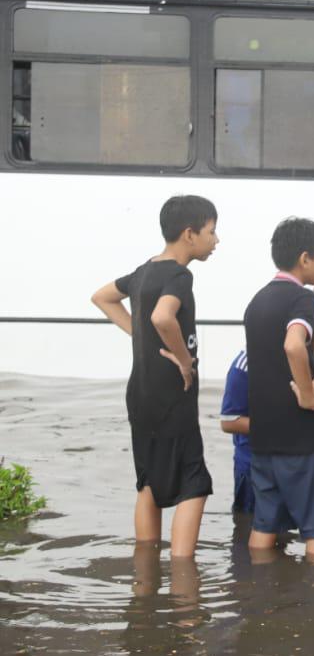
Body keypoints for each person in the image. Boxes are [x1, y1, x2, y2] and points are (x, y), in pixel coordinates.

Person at [90, 195, 219, 558]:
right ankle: (182, 576)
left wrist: (138, 333)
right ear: (189, 234)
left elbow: (102, 297)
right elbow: (163, 317)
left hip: (140, 394)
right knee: (194, 483)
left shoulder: (143, 271)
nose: (216, 240)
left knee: (148, 480)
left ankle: (145, 573)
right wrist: (184, 361)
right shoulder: (179, 275)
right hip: (171, 393)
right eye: (211, 231)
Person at [243, 217, 314, 562]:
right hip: (303, 436)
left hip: (264, 434)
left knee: (264, 525)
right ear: (304, 258)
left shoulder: (257, 300)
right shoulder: (300, 299)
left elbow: (306, 349)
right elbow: (295, 346)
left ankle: (256, 583)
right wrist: (309, 397)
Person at [219, 351, 254, 516]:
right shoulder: (243, 366)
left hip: (285, 463)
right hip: (251, 464)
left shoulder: (294, 357)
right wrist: (276, 427)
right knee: (245, 523)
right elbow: (228, 421)